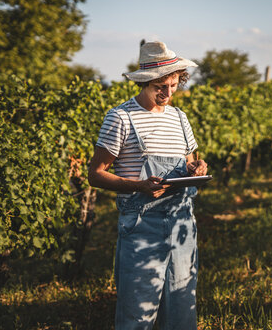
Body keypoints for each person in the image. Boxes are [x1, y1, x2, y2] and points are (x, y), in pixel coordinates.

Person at [88, 41, 207, 330]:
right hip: (142, 223)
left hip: (182, 223)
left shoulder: (180, 118)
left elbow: (189, 161)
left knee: (181, 311)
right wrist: (139, 185)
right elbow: (95, 174)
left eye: (174, 85)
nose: (168, 93)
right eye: (160, 87)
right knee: (137, 314)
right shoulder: (121, 117)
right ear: (144, 83)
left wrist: (197, 168)